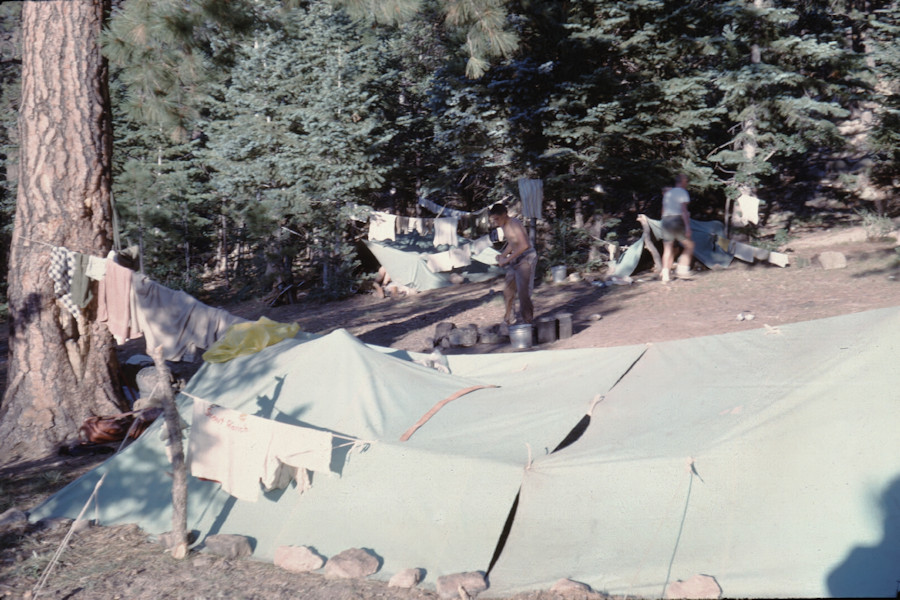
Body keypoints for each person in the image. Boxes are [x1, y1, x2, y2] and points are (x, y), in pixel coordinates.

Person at [489, 203, 537, 325]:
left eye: (497, 219)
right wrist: (503, 255)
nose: (495, 222)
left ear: (504, 214)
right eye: (493, 219)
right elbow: (512, 243)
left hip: (526, 258)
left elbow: (524, 245)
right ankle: (509, 319)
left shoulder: (514, 224)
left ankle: (527, 322)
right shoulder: (504, 225)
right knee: (508, 291)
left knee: (523, 292)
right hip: (517, 258)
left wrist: (507, 260)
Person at [660, 173, 695, 282]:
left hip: (665, 221)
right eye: (686, 181)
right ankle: (682, 269)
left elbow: (663, 210)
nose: (687, 183)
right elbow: (684, 211)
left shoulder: (668, 193)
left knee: (667, 248)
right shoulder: (682, 192)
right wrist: (688, 227)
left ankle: (665, 274)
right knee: (690, 245)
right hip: (676, 220)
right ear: (682, 181)